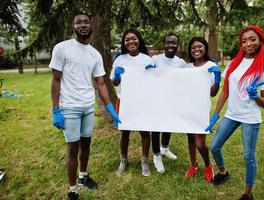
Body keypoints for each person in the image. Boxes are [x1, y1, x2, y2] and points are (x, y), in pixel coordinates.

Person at [49, 13, 120, 200]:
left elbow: (101, 83)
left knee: (86, 144)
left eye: (86, 22)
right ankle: (72, 191)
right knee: (73, 149)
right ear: (73, 26)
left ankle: (83, 177)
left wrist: (111, 108)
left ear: (91, 25)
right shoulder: (62, 48)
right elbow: (56, 80)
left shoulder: (95, 54)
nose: (82, 25)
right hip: (69, 107)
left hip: (88, 106)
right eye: (78, 22)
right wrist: (56, 109)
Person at [207, 25, 264, 200]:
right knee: (214, 146)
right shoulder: (233, 63)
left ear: (260, 41)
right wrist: (215, 115)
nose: (248, 43)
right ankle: (223, 172)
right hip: (232, 114)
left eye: (252, 39)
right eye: (244, 41)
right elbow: (225, 92)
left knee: (248, 156)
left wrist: (256, 96)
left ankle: (247, 193)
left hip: (250, 117)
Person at [110, 28, 155, 177]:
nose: (131, 41)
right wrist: (116, 76)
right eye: (127, 39)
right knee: (125, 132)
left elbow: (155, 83)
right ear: (124, 43)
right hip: (125, 101)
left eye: (133, 38)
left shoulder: (147, 59)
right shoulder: (120, 59)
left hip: (143, 100)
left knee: (144, 132)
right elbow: (115, 83)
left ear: (139, 40)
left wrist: (153, 72)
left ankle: (144, 161)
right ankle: (124, 160)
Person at [185, 37, 221, 183]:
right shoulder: (187, 67)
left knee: (200, 142)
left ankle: (207, 164)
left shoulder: (210, 66)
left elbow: (213, 93)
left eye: (199, 47)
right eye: (193, 47)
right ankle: (193, 165)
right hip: (186, 107)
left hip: (200, 109)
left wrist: (217, 79)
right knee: (190, 139)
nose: (196, 50)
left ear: (205, 48)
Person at [149, 33, 186, 173]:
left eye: (174, 43)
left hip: (172, 99)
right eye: (168, 42)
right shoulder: (155, 59)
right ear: (164, 44)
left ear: (178, 45)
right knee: (156, 127)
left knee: (168, 124)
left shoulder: (181, 63)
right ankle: (157, 155)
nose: (171, 45)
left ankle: (165, 148)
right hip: (156, 99)